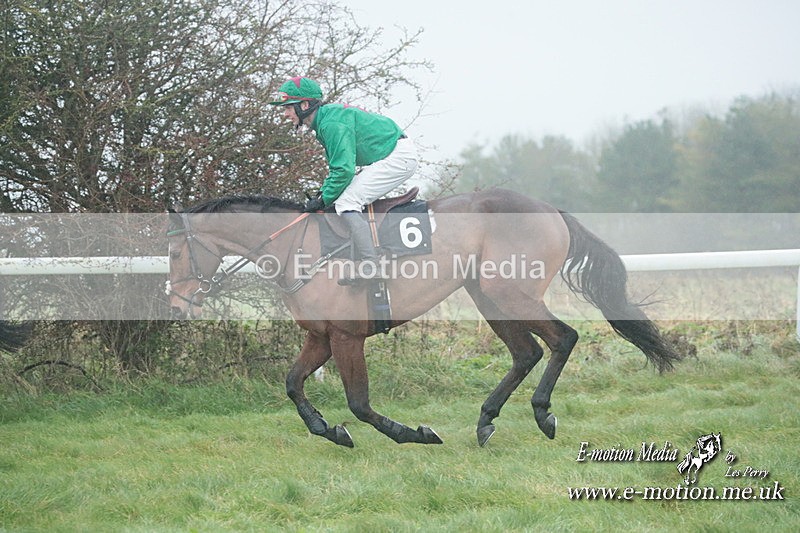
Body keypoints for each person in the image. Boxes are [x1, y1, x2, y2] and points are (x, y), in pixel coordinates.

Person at [269, 77, 418, 284]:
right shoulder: (325, 121)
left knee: (347, 202)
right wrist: (323, 194)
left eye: (287, 108)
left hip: (397, 157)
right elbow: (338, 170)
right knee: (344, 198)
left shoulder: (330, 124)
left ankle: (371, 265)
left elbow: (344, 170)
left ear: (304, 105)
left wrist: (323, 200)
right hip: (391, 153)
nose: (285, 114)